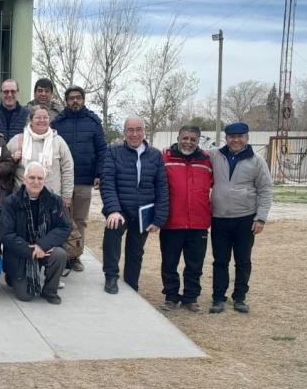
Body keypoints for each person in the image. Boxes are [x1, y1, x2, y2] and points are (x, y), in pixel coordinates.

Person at [208, 122, 272, 314]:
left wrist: (260, 218)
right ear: (226, 138)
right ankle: (218, 298)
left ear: (247, 138)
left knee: (243, 261)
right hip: (219, 218)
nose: (236, 140)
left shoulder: (257, 161)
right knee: (220, 261)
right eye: (231, 136)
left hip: (245, 219)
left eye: (240, 136)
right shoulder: (215, 155)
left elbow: (265, 190)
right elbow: (193, 151)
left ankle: (239, 298)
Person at [100, 116, 169, 295]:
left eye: (138, 129)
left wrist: (159, 218)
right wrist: (113, 210)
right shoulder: (113, 152)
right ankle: (111, 277)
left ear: (144, 131)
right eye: (130, 130)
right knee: (112, 241)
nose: (134, 134)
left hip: (143, 212)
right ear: (124, 132)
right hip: (120, 209)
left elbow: (162, 187)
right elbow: (107, 183)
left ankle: (131, 284)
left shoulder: (155, 155)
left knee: (136, 251)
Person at [50, 85, 107, 272]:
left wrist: (99, 173)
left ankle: (75, 256)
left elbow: (101, 150)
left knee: (80, 220)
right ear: (66, 101)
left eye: (78, 98)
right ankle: (60, 254)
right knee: (61, 219)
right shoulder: (58, 122)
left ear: (83, 100)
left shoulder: (93, 122)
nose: (75, 101)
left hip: (84, 180)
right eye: (71, 98)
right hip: (62, 181)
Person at [0, 162, 71, 305]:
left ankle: (50, 291)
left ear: (44, 180)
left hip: (44, 248)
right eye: (32, 177)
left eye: (40, 178)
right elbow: (5, 234)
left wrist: (42, 245)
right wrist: (30, 249)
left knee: (60, 254)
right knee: (26, 296)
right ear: (24, 180)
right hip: (20, 252)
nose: (36, 182)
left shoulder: (54, 200)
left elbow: (65, 227)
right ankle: (14, 276)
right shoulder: (11, 202)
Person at [160, 125, 212, 312]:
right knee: (169, 262)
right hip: (172, 222)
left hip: (198, 222)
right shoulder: (165, 157)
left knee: (195, 264)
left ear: (198, 141)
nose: (188, 142)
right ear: (178, 137)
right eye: (185, 138)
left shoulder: (206, 160)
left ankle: (190, 298)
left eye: (192, 139)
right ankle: (171, 297)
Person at [7, 105, 74, 204]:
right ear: (30, 120)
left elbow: (68, 169)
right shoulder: (17, 140)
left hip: (52, 200)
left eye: (45, 117)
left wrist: (67, 196)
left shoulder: (58, 142)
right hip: (22, 200)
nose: (42, 120)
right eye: (38, 117)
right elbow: (4, 164)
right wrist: (13, 158)